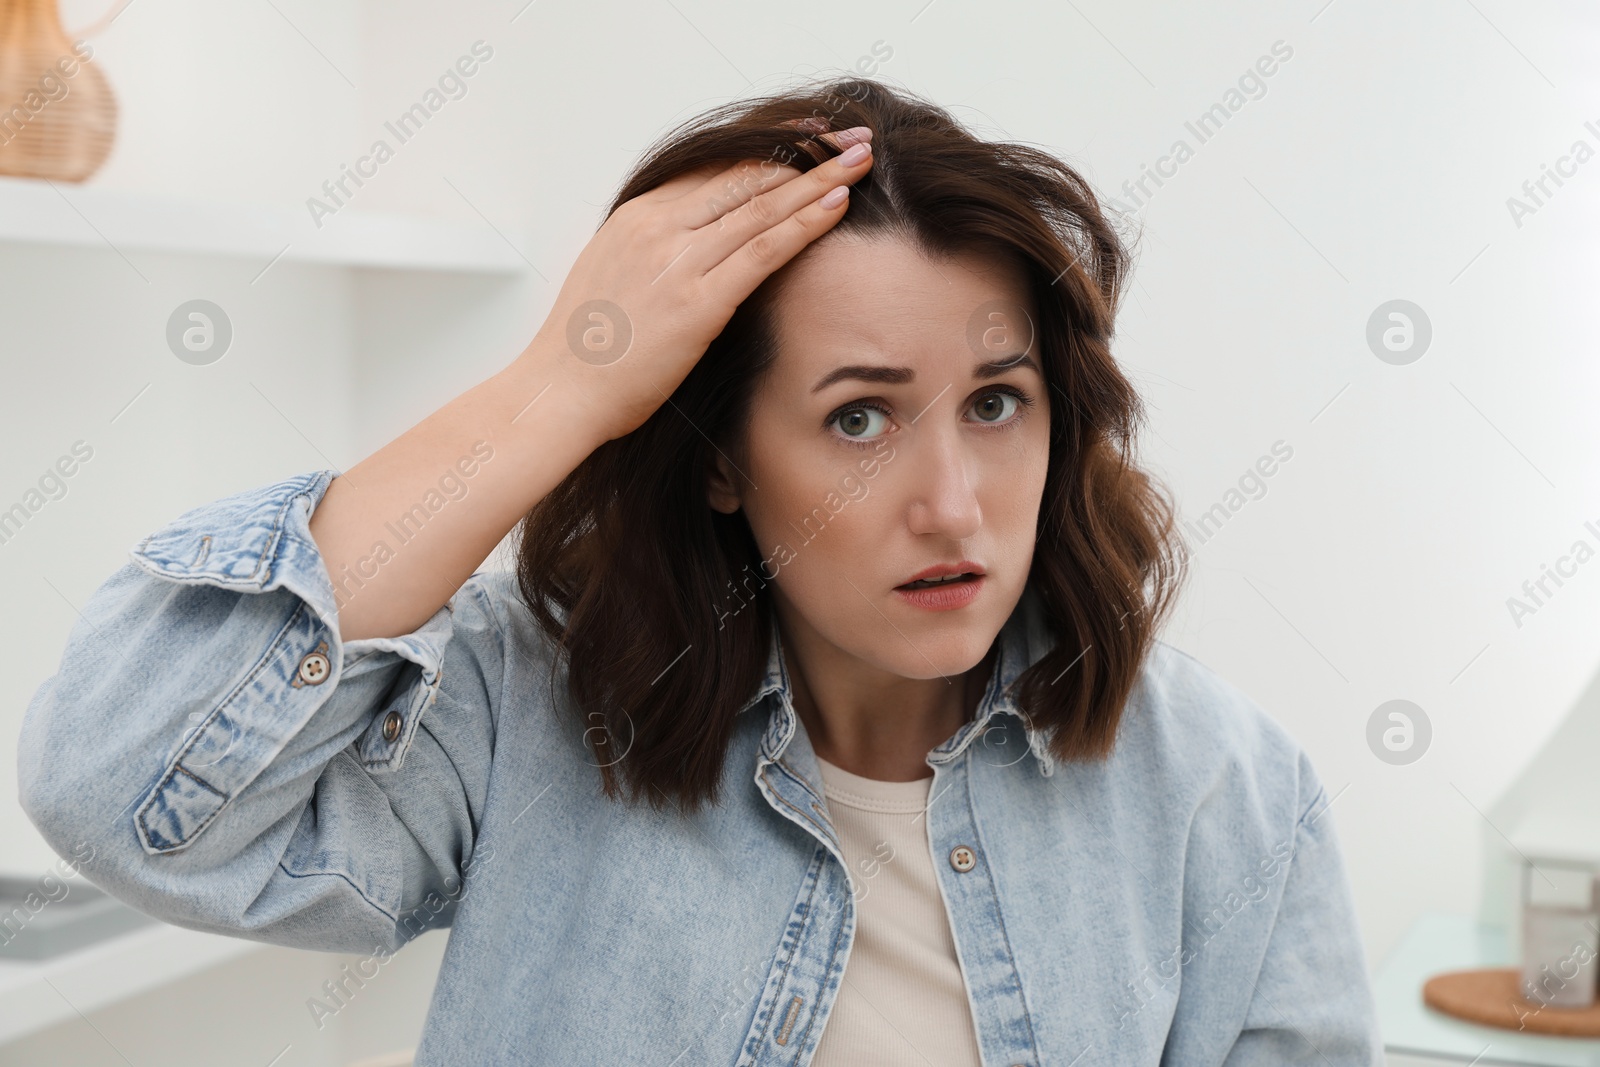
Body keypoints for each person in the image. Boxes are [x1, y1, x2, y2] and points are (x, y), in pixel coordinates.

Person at [17, 77, 1383, 1065]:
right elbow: (116, 785)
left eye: (997, 400)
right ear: (721, 461)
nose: (953, 505)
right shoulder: (533, 719)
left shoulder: (1226, 795)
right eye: (860, 417)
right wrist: (558, 385)